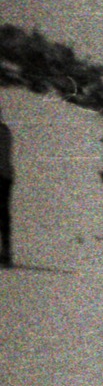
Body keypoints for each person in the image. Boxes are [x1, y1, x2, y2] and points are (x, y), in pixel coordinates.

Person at [0, 105, 14, 268]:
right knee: (3, 214)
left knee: (3, 214)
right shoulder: (5, 131)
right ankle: (6, 252)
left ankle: (5, 253)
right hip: (6, 176)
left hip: (2, 176)